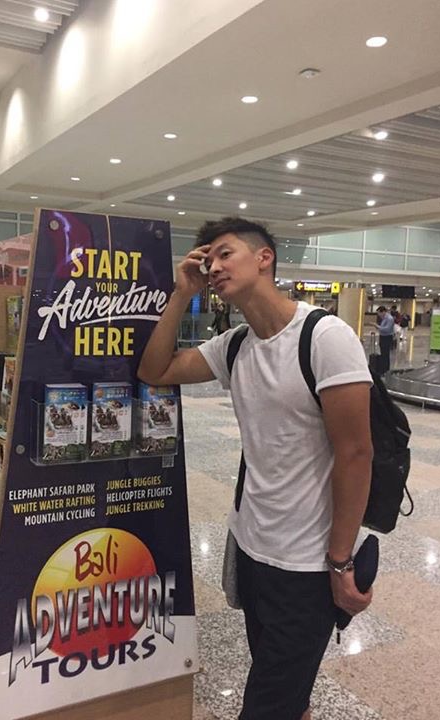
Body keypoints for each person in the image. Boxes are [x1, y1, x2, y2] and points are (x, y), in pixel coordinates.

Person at [138, 217, 373, 720]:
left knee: (266, 705)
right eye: (207, 261)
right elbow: (155, 370)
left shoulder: (324, 337)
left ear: (264, 257)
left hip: (308, 563)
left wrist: (339, 562)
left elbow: (356, 454)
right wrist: (180, 295)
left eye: (224, 254)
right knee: (287, 693)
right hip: (252, 547)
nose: (213, 268)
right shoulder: (236, 345)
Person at [376, 306, 395, 373]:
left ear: (383, 312)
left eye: (379, 313)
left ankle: (386, 369)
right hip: (382, 337)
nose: (379, 315)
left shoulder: (389, 318)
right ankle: (383, 368)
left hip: (387, 338)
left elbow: (387, 329)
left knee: (385, 354)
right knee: (383, 354)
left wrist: (377, 327)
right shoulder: (384, 318)